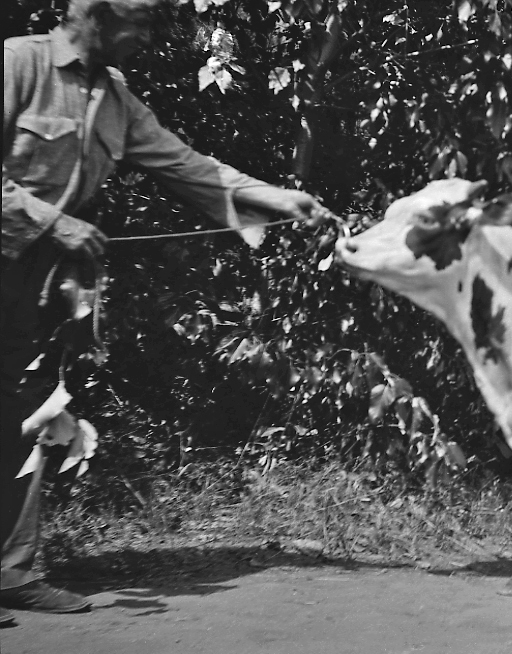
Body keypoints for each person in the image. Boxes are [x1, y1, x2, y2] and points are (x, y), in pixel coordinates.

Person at [2, 0, 327, 625]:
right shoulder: (17, 63)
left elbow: (188, 167)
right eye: (141, 21)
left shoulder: (116, 97)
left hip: (39, 289)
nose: (149, 37)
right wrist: (55, 222)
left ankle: (11, 573)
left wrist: (282, 201)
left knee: (27, 414)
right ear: (95, 16)